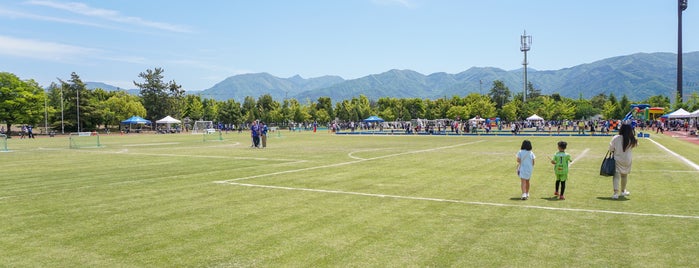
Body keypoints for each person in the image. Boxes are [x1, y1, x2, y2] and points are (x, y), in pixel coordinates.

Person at [609, 124, 638, 199]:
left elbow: (611, 148)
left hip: (617, 158)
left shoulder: (616, 138)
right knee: (624, 175)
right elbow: (636, 145)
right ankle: (623, 191)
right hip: (627, 159)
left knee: (616, 176)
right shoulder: (631, 139)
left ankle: (615, 193)